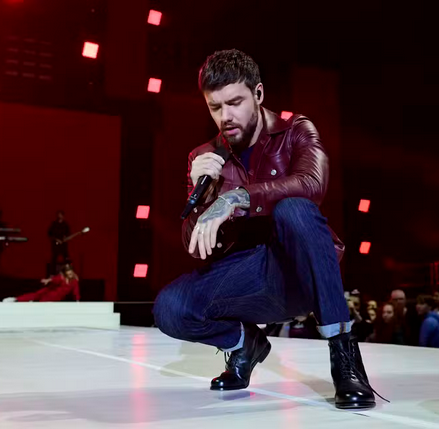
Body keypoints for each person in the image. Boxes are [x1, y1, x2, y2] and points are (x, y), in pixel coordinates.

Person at [153, 49, 379, 409]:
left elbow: (312, 184)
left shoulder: (296, 131)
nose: (225, 117)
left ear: (258, 93)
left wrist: (237, 197)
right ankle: (245, 345)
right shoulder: (204, 157)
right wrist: (205, 196)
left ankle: (345, 359)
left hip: (299, 269)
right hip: (247, 276)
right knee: (169, 307)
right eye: (215, 107)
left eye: (235, 103)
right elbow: (194, 247)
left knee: (294, 208)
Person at [4, 264, 80, 302]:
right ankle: (15, 299)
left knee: (40, 302)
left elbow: (76, 291)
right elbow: (55, 279)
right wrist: (48, 280)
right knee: (35, 295)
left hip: (55, 299)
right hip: (48, 292)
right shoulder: (61, 277)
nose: (70, 274)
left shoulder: (74, 281)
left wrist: (77, 300)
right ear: (65, 273)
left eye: (71, 272)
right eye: (68, 272)